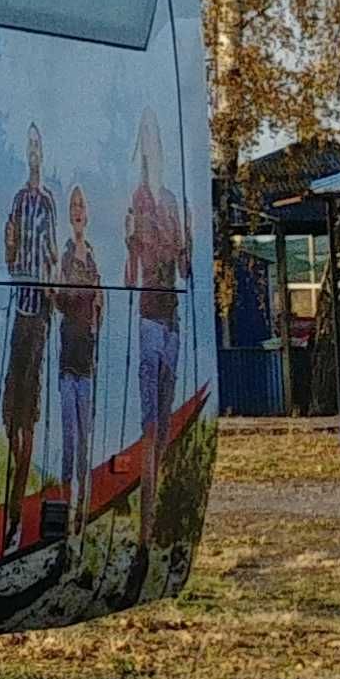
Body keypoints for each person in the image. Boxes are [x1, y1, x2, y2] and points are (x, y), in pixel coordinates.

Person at [125, 118, 190, 511]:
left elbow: (185, 269)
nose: (152, 151)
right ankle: (147, 508)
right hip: (149, 319)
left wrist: (185, 245)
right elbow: (132, 272)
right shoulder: (139, 199)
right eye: (145, 143)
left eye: (156, 142)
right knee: (150, 424)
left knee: (165, 424)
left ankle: (157, 508)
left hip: (173, 320)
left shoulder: (169, 200)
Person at [1, 128, 59, 554]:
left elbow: (51, 252)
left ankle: (17, 514)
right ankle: (13, 497)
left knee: (28, 413)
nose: (34, 152)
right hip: (18, 310)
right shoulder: (19, 200)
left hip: (39, 313)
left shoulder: (48, 203)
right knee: (9, 412)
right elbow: (11, 250)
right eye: (31, 146)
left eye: (39, 147)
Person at [55, 187, 107, 538]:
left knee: (86, 443)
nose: (77, 211)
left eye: (81, 205)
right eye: (73, 206)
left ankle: (83, 519)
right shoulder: (64, 255)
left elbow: (98, 304)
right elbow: (62, 300)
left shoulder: (92, 256)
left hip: (87, 361)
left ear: (86, 215)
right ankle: (62, 514)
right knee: (69, 442)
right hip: (66, 361)